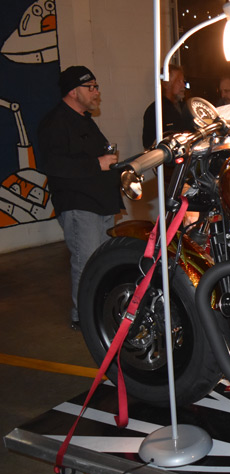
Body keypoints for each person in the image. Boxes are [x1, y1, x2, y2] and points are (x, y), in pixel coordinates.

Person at [37, 66, 123, 329]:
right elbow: (52, 165)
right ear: (74, 92)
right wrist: (97, 163)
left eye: (97, 86)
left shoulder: (85, 120)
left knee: (102, 262)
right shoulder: (55, 122)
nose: (97, 92)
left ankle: (98, 310)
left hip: (101, 203)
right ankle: (83, 317)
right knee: (86, 263)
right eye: (91, 87)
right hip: (79, 205)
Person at [142, 64, 193, 148]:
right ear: (166, 84)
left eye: (183, 81)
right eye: (178, 81)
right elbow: (149, 144)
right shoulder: (155, 111)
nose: (183, 85)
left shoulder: (187, 108)